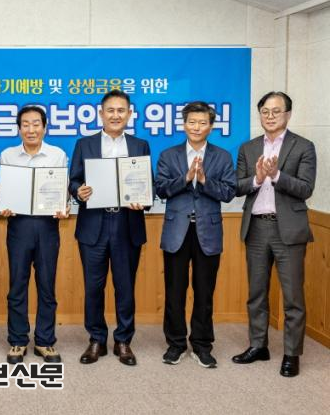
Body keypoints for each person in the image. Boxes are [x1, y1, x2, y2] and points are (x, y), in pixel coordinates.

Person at [232, 91, 316, 378]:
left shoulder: (303, 146)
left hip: (288, 229)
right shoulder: (248, 148)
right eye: (265, 111)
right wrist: (257, 179)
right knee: (256, 293)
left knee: (293, 297)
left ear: (288, 114)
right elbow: (237, 186)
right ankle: (258, 345)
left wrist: (276, 175)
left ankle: (292, 353)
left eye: (276, 111)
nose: (270, 116)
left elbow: (306, 188)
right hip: (256, 227)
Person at [69, 89, 150, 366]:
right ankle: (96, 339)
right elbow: (73, 180)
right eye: (111, 110)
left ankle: (123, 340)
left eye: (121, 110)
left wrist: (143, 200)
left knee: (125, 286)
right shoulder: (85, 144)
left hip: (127, 223)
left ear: (129, 114)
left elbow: (146, 183)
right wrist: (78, 190)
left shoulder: (140, 145)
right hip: (94, 223)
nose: (116, 115)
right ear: (101, 113)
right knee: (94, 286)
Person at [155, 101, 236, 368]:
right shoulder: (169, 155)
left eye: (202, 123)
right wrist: (185, 178)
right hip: (177, 231)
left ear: (211, 127)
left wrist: (203, 181)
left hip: (208, 232)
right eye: (192, 122)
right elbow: (160, 189)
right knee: (174, 291)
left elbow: (229, 192)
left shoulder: (222, 157)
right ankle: (176, 343)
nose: (196, 127)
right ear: (184, 124)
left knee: (204, 291)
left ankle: (202, 344)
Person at [0, 106, 69, 364]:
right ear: (19, 129)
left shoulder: (57, 155)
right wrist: (3, 205)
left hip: (48, 226)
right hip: (19, 226)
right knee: (17, 284)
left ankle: (45, 341)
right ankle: (17, 340)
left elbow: (63, 191)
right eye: (25, 124)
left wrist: (64, 206)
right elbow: (4, 192)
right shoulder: (8, 155)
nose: (31, 129)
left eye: (36, 124)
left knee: (46, 286)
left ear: (45, 127)